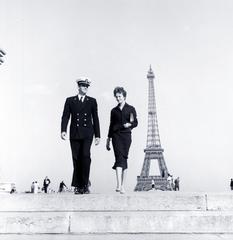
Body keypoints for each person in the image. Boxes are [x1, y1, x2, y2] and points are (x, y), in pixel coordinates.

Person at [61, 77, 100, 194]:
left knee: (86, 157)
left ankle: (84, 184)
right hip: (75, 133)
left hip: (88, 133)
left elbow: (95, 118)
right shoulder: (70, 100)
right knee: (76, 159)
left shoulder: (92, 101)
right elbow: (65, 116)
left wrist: (98, 135)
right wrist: (63, 130)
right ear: (78, 87)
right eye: (83, 86)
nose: (86, 88)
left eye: (87, 86)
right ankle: (78, 186)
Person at [106, 87, 138, 194]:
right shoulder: (113, 111)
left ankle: (122, 186)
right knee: (119, 158)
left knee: (124, 159)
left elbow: (135, 122)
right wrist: (108, 139)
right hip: (116, 136)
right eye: (116, 96)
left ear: (124, 96)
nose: (117, 98)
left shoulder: (130, 109)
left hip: (126, 136)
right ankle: (119, 184)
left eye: (119, 96)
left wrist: (130, 124)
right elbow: (111, 125)